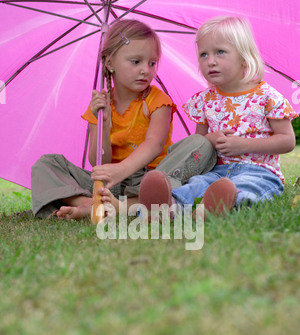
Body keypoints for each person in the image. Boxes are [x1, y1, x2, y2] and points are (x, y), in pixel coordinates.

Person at [31, 19, 216, 220]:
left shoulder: (157, 101)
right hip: (109, 181)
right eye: (136, 62)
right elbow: (99, 161)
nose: (146, 70)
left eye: (152, 63)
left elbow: (154, 144)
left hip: (148, 179)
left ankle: (121, 205)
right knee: (46, 164)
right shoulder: (100, 106)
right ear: (110, 63)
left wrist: (122, 170)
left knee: (201, 144)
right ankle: (87, 202)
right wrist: (102, 124)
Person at [138, 16, 298, 217]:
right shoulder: (205, 100)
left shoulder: (267, 97)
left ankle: (216, 206)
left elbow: (287, 141)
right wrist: (209, 141)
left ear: (243, 57)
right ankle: (167, 206)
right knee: (197, 184)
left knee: (247, 188)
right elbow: (200, 145)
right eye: (203, 55)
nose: (210, 61)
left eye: (220, 52)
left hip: (259, 171)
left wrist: (244, 145)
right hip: (216, 171)